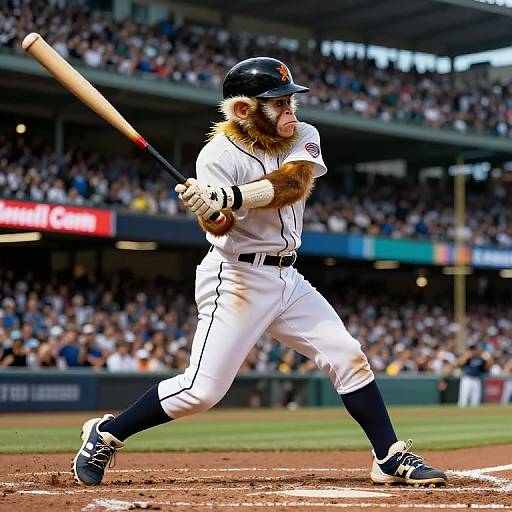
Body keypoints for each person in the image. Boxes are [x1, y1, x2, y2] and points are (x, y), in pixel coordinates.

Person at [72, 57, 447, 487]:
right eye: (278, 103)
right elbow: (220, 226)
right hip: (236, 278)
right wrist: (208, 208)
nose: (290, 110)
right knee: (201, 392)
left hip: (287, 277)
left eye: (289, 101)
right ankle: (106, 433)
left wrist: (230, 195)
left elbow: (294, 184)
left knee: (347, 354)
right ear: (244, 110)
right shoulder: (215, 156)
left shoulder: (303, 134)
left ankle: (387, 456)